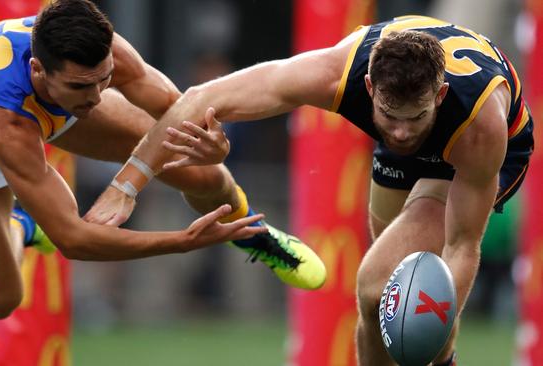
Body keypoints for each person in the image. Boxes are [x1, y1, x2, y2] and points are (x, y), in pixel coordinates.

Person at [115, 15, 534, 366]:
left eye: (415, 117)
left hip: (477, 148)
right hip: (425, 126)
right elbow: (201, 97)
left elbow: (461, 246)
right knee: (381, 300)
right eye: (389, 116)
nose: (401, 132)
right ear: (369, 87)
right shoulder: (336, 72)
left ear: (439, 95)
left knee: (377, 285)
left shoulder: (480, 127)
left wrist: (430, 332)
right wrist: (125, 186)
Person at [0, 0, 326, 319]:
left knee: (201, 170)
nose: (97, 96)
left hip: (56, 108)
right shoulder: (3, 119)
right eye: (83, 84)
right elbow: (74, 240)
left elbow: (178, 109)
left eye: (104, 79)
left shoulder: (100, 61)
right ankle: (21, 225)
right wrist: (181, 243)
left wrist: (215, 144)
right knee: (2, 301)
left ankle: (254, 233)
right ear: (39, 70)